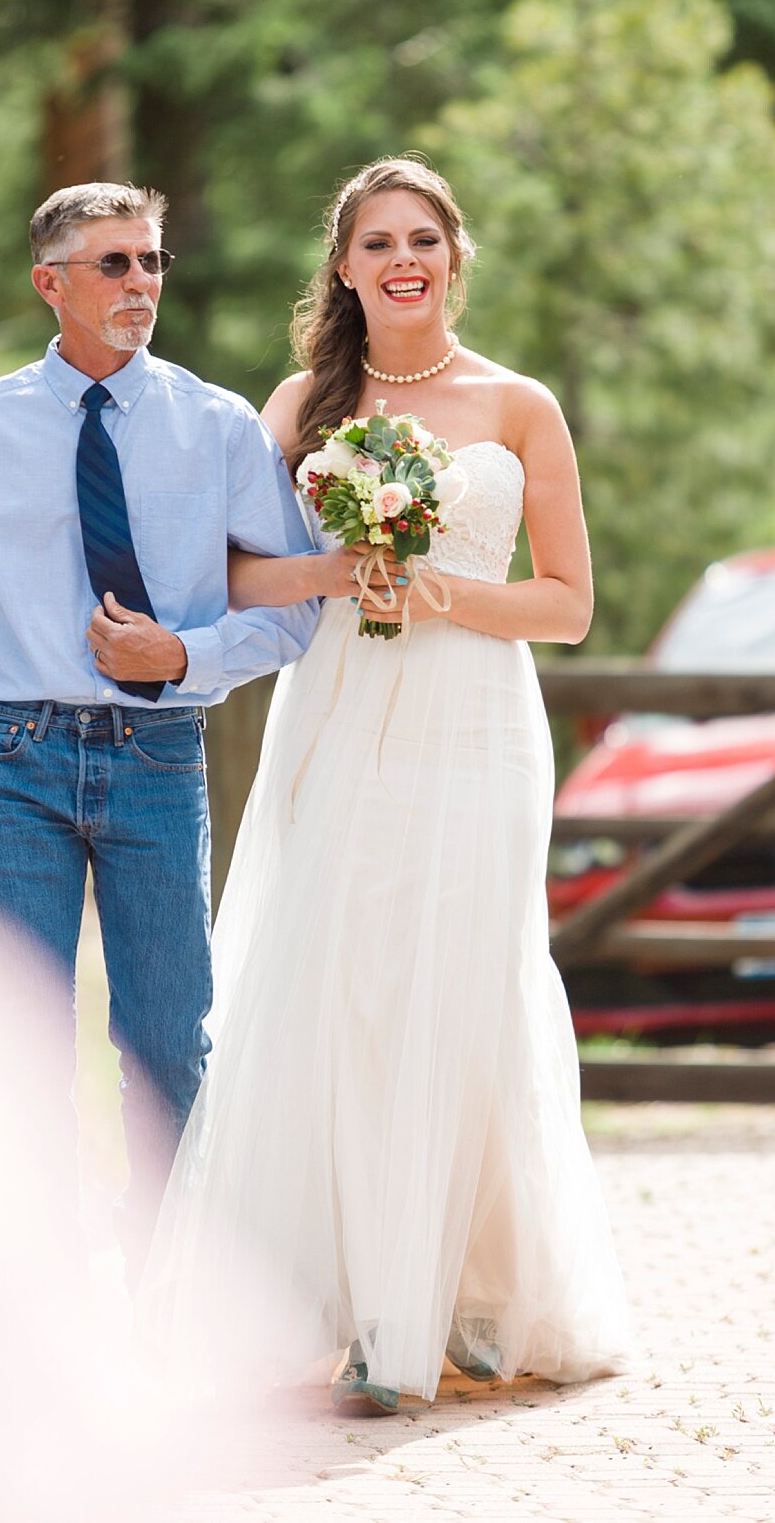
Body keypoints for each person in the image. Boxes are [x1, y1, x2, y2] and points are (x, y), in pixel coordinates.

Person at [134, 156, 630, 1412]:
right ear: (345, 266)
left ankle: (459, 1291)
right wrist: (341, 572)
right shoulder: (301, 402)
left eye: (423, 237)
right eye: (376, 241)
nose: (402, 258)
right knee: (337, 983)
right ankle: (342, 1298)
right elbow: (229, 578)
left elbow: (569, 605)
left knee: (461, 981)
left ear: (454, 254)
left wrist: (437, 588)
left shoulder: (523, 406)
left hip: (476, 725)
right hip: (343, 713)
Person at [0, 181, 320, 1268]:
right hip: (9, 763)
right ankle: (40, 1292)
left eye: (152, 261)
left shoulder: (214, 427)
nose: (140, 284)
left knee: (167, 1042)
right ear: (49, 284)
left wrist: (185, 656)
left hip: (157, 758)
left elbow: (295, 608)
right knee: (18, 1043)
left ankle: (160, 1286)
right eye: (113, 264)